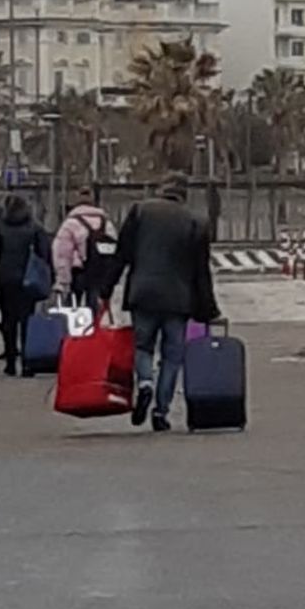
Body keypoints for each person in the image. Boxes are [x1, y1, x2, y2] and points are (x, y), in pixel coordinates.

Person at [108, 173, 217, 433]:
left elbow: (122, 253)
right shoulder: (196, 221)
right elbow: (201, 272)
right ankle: (161, 410)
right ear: (184, 194)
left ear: (161, 190)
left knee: (143, 346)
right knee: (172, 356)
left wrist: (105, 288)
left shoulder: (140, 211)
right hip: (179, 301)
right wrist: (208, 309)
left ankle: (145, 382)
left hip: (142, 294)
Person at [0, 194, 52, 376]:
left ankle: (10, 360)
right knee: (27, 321)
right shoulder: (35, 228)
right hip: (28, 281)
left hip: (4, 280)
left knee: (8, 321)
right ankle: (28, 362)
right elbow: (45, 255)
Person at [51, 186, 117, 311]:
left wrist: (62, 280)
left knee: (72, 309)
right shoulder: (105, 222)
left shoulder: (70, 223)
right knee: (94, 306)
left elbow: (62, 254)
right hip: (100, 272)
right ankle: (94, 327)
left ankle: (74, 329)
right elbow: (114, 246)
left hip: (78, 272)